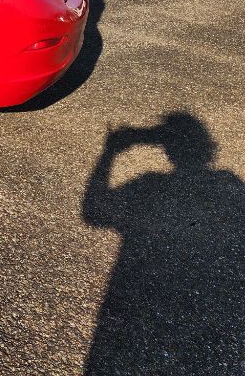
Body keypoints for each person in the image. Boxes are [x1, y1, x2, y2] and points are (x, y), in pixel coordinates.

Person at [82, 112, 245, 374]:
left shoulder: (149, 184)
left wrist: (109, 152)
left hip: (138, 306)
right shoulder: (230, 185)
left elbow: (93, 211)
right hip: (218, 318)